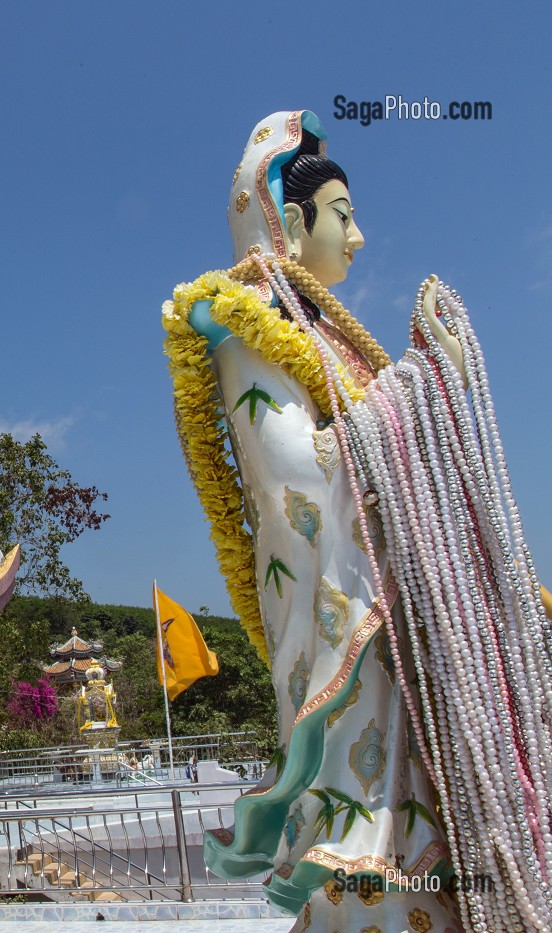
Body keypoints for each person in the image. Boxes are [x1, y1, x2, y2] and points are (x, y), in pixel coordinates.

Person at [163, 111, 474, 929]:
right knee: (367, 820)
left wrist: (428, 392)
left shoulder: (322, 328)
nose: (359, 237)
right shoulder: (242, 311)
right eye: (344, 213)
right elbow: (294, 477)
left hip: (382, 585)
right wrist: (416, 398)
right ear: (292, 222)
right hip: (341, 586)